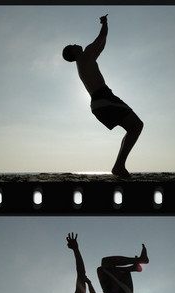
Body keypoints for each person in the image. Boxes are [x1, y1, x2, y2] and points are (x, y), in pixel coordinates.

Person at [62, 15, 144, 178]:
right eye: (72, 45)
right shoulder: (84, 56)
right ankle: (119, 166)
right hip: (104, 98)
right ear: (73, 52)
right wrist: (105, 23)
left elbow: (101, 46)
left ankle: (119, 166)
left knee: (133, 127)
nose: (75, 44)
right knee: (137, 125)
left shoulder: (86, 60)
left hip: (100, 102)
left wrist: (105, 33)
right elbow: (101, 38)